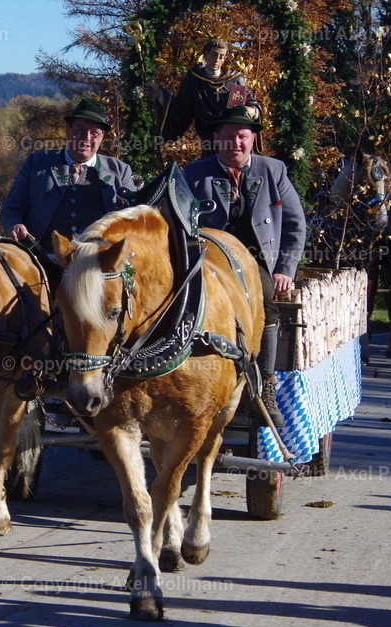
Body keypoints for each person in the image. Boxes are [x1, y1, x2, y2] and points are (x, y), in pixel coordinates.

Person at [183, 106, 307, 428]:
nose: (235, 143)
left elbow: (295, 224)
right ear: (216, 139)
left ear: (252, 139)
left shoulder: (273, 170)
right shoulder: (194, 173)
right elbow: (178, 221)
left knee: (267, 302)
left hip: (257, 260)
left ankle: (265, 388)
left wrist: (285, 269)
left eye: (242, 136)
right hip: (207, 259)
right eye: (228, 137)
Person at [1, 97, 136, 253]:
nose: (86, 138)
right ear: (68, 130)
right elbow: (12, 207)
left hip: (98, 263)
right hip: (40, 259)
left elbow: (134, 216)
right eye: (80, 130)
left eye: (94, 133)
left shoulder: (120, 170)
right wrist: (14, 224)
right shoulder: (36, 163)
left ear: (102, 137)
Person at [151, 37, 261, 155]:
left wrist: (252, 110)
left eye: (221, 57)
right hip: (211, 142)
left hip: (235, 140)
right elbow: (181, 107)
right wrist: (160, 94)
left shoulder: (235, 79)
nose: (217, 60)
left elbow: (251, 103)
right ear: (206, 54)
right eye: (214, 55)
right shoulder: (195, 78)